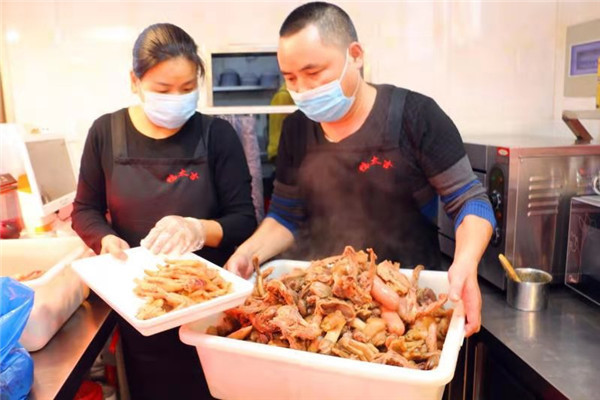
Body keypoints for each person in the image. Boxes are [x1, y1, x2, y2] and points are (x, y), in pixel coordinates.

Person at [225, 2, 495, 337]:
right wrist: (246, 254)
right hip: (325, 306)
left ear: (355, 55)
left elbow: (470, 200)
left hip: (408, 305)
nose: (302, 90)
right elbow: (284, 216)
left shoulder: (415, 116)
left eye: (313, 72)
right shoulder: (297, 129)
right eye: (290, 78)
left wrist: (466, 262)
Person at [71, 23, 256, 399]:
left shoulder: (217, 136)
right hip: (141, 306)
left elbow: (243, 220)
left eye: (187, 89)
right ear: (134, 81)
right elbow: (84, 209)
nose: (177, 99)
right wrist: (105, 238)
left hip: (208, 307)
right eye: (163, 89)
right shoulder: (106, 132)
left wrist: (198, 229)